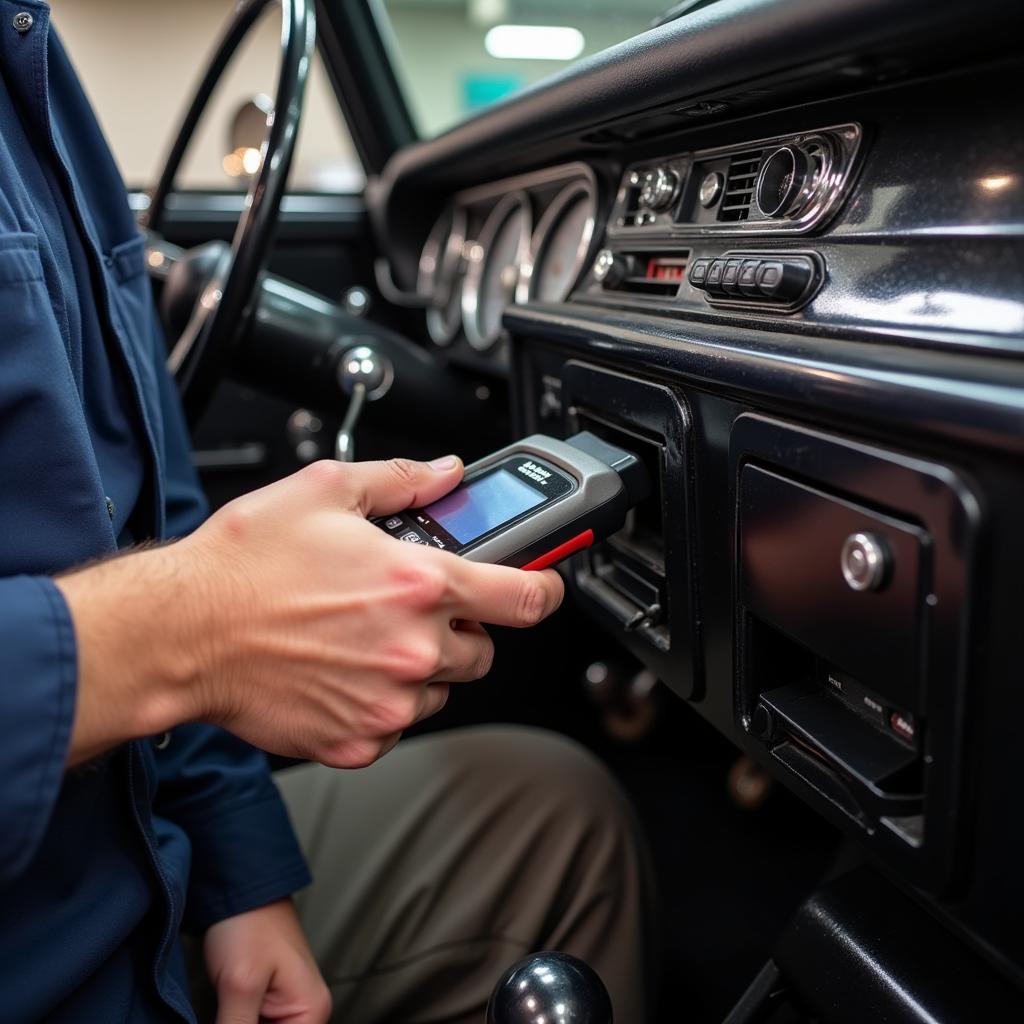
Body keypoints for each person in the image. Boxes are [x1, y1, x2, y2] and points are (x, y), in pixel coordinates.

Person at [0, 6, 654, 1023]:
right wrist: (192, 632)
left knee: (549, 803)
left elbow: (147, 508)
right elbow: (172, 581)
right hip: (48, 951)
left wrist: (240, 871)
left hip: (134, 828)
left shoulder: (29, 68)